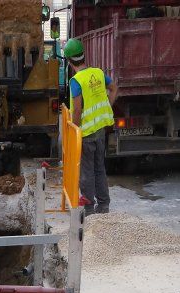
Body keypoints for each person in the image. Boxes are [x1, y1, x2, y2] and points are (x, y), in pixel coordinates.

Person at [63, 37, 117, 215]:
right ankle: (104, 206)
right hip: (100, 129)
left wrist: (74, 131)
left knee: (86, 172)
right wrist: (107, 106)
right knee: (99, 167)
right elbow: (114, 88)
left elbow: (77, 109)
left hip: (85, 134)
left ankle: (88, 208)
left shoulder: (76, 81)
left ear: (70, 61)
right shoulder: (98, 73)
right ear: (83, 56)